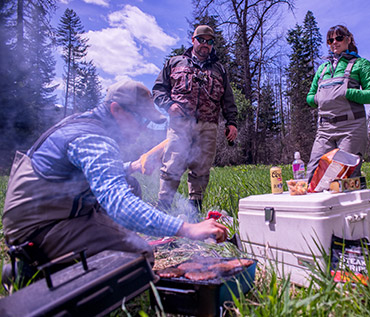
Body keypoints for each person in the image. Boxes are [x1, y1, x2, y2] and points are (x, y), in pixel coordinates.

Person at [2, 80, 228, 273]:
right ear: (116, 110)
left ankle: (58, 257)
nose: (143, 128)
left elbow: (87, 172)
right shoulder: (92, 139)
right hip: (38, 228)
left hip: (56, 212)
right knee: (139, 256)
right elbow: (119, 204)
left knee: (130, 184)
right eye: (141, 120)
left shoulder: (87, 124)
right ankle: (32, 268)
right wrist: (187, 228)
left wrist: (131, 166)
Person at [152, 25, 237, 212]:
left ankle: (194, 211)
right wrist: (169, 105)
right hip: (180, 124)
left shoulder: (219, 69)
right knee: (172, 165)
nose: (205, 44)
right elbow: (158, 90)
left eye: (210, 41)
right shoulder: (174, 63)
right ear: (193, 40)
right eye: (202, 40)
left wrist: (232, 122)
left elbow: (228, 99)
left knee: (202, 169)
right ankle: (163, 208)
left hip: (208, 126)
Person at [306, 25, 370, 181]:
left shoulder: (362, 64)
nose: (334, 42)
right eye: (330, 40)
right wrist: (319, 98)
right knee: (313, 175)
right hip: (325, 128)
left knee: (345, 176)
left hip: (351, 128)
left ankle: (357, 204)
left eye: (339, 38)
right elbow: (310, 96)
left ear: (348, 39)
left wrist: (347, 93)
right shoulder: (322, 68)